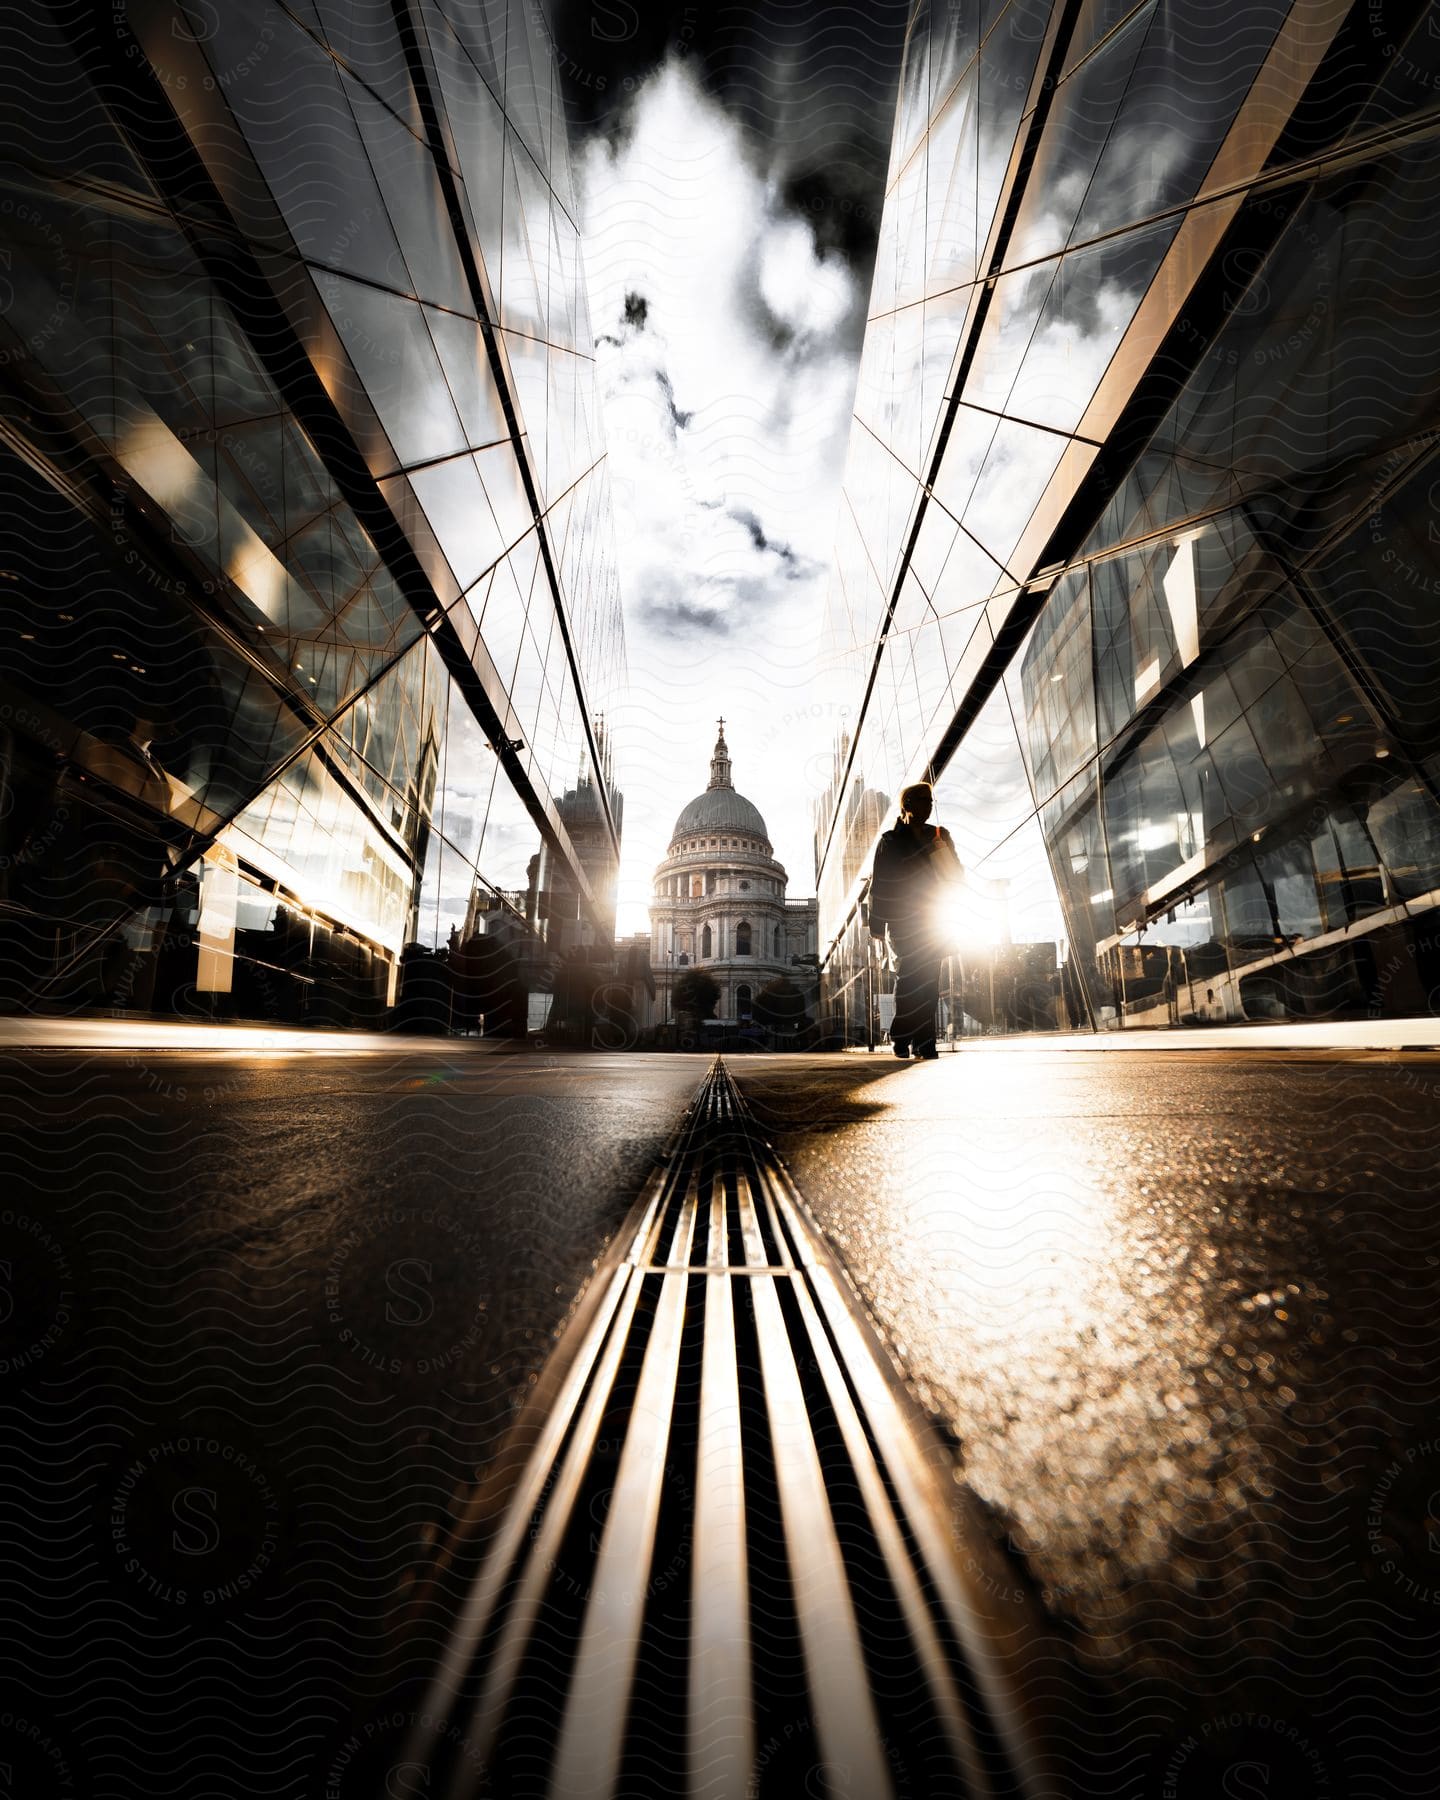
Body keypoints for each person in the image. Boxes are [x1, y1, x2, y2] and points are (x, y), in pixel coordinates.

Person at [867, 781, 963, 1059]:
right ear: (907, 805)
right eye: (923, 801)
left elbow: (955, 871)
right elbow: (880, 883)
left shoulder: (940, 835)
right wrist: (877, 925)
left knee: (929, 982)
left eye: (931, 801)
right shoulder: (890, 840)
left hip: (935, 918)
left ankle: (924, 1043)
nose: (929, 806)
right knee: (909, 979)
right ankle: (901, 1036)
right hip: (903, 921)